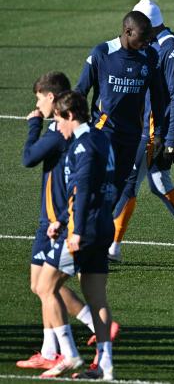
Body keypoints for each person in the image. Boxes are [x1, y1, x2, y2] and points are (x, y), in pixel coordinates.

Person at [18, 73, 117, 371]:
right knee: (97, 297)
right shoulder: (102, 137)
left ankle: (69, 353)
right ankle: (105, 365)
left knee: (46, 286)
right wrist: (62, 220)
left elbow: (82, 189)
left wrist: (71, 228)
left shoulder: (82, 144)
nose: (57, 127)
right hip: (102, 226)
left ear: (70, 115)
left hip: (83, 229)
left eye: (59, 120)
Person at [107, 0, 174, 265]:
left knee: (129, 183)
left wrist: (170, 140)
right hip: (147, 126)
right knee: (159, 184)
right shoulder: (157, 44)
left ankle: (111, 248)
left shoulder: (170, 50)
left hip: (152, 130)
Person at [75, 10, 163, 262]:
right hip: (103, 135)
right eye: (143, 37)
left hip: (132, 137)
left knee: (116, 192)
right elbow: (82, 90)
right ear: (127, 32)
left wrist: (159, 135)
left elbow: (159, 97)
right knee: (97, 189)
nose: (148, 42)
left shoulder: (150, 56)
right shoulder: (102, 53)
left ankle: (95, 244)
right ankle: (82, 241)